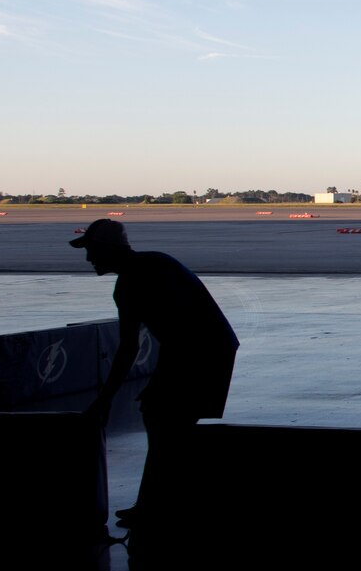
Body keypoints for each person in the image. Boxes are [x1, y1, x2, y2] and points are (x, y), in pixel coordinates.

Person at [73, 219, 239, 526]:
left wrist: (107, 398)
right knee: (165, 423)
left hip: (202, 351)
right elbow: (160, 337)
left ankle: (156, 506)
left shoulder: (134, 279)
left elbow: (133, 348)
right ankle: (159, 502)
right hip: (206, 348)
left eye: (92, 250)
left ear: (109, 249)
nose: (89, 259)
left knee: (164, 421)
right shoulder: (150, 265)